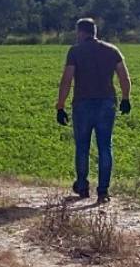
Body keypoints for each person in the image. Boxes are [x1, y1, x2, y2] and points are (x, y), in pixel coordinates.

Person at [56, 18, 131, 204]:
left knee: (82, 146)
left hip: (82, 104)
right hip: (107, 103)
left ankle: (82, 187)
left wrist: (60, 105)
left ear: (81, 32)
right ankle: (103, 191)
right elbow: (124, 76)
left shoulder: (75, 51)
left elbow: (66, 80)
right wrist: (126, 98)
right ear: (95, 32)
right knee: (105, 146)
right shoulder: (112, 50)